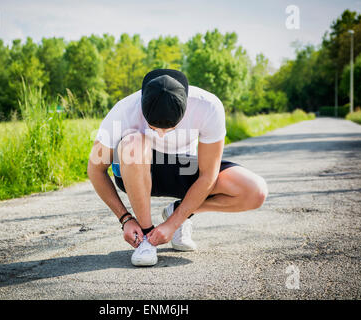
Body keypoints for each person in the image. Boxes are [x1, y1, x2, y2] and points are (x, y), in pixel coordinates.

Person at [87, 69, 268, 266]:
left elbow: (209, 175)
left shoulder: (208, 106)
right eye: (154, 128)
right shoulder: (123, 110)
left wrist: (174, 222)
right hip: (135, 169)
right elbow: (95, 170)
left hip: (185, 168)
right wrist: (125, 218)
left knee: (255, 191)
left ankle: (178, 211)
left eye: (170, 128)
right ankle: (147, 238)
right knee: (133, 144)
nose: (162, 135)